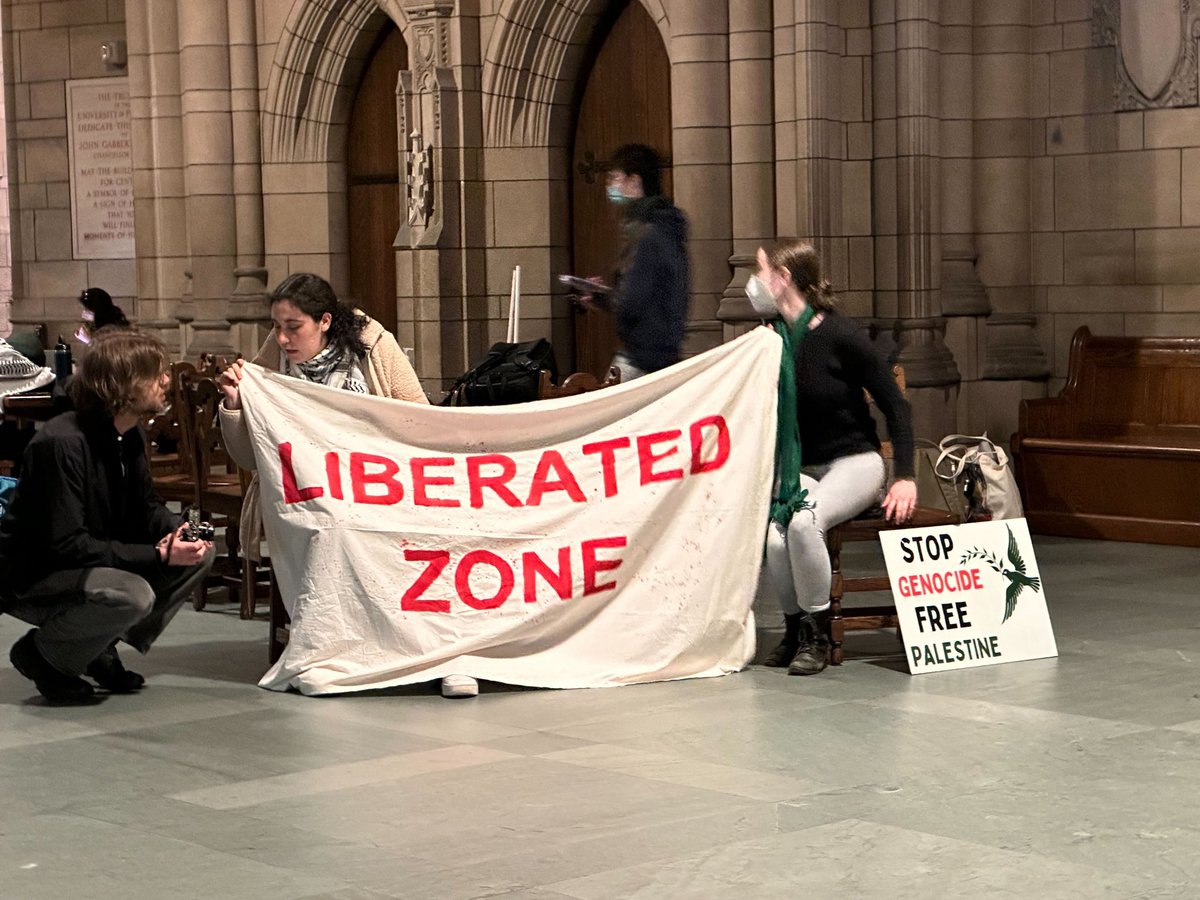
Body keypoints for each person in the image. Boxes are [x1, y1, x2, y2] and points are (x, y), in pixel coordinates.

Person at [217, 274, 482, 699]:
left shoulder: (374, 346)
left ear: (324, 321)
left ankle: (446, 654)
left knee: (432, 535)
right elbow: (251, 455)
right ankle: (338, 650)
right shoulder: (274, 360)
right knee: (336, 527)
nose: (283, 338)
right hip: (312, 497)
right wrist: (234, 405)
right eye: (277, 327)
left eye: (293, 327)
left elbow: (420, 419)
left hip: (385, 484)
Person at [0, 329, 215, 703]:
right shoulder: (61, 442)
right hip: (35, 573)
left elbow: (146, 505)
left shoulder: (127, 434)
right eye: (156, 373)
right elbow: (66, 545)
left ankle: (94, 646)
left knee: (201, 552)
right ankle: (43, 655)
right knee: (132, 595)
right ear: (123, 384)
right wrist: (158, 555)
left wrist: (180, 531)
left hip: (85, 558)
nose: (166, 380)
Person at [749, 239, 916, 676]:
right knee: (774, 536)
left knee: (805, 523)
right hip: (803, 466)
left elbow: (896, 405)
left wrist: (906, 476)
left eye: (762, 272)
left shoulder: (840, 335)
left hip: (855, 462)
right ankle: (794, 629)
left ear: (783, 280)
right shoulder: (769, 343)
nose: (755, 283)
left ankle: (818, 635)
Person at [582, 143, 689, 380]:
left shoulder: (646, 230)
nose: (611, 185)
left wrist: (603, 297)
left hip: (641, 354)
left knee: (612, 411)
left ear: (634, 180)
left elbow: (635, 296)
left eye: (615, 177)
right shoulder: (666, 224)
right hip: (662, 350)